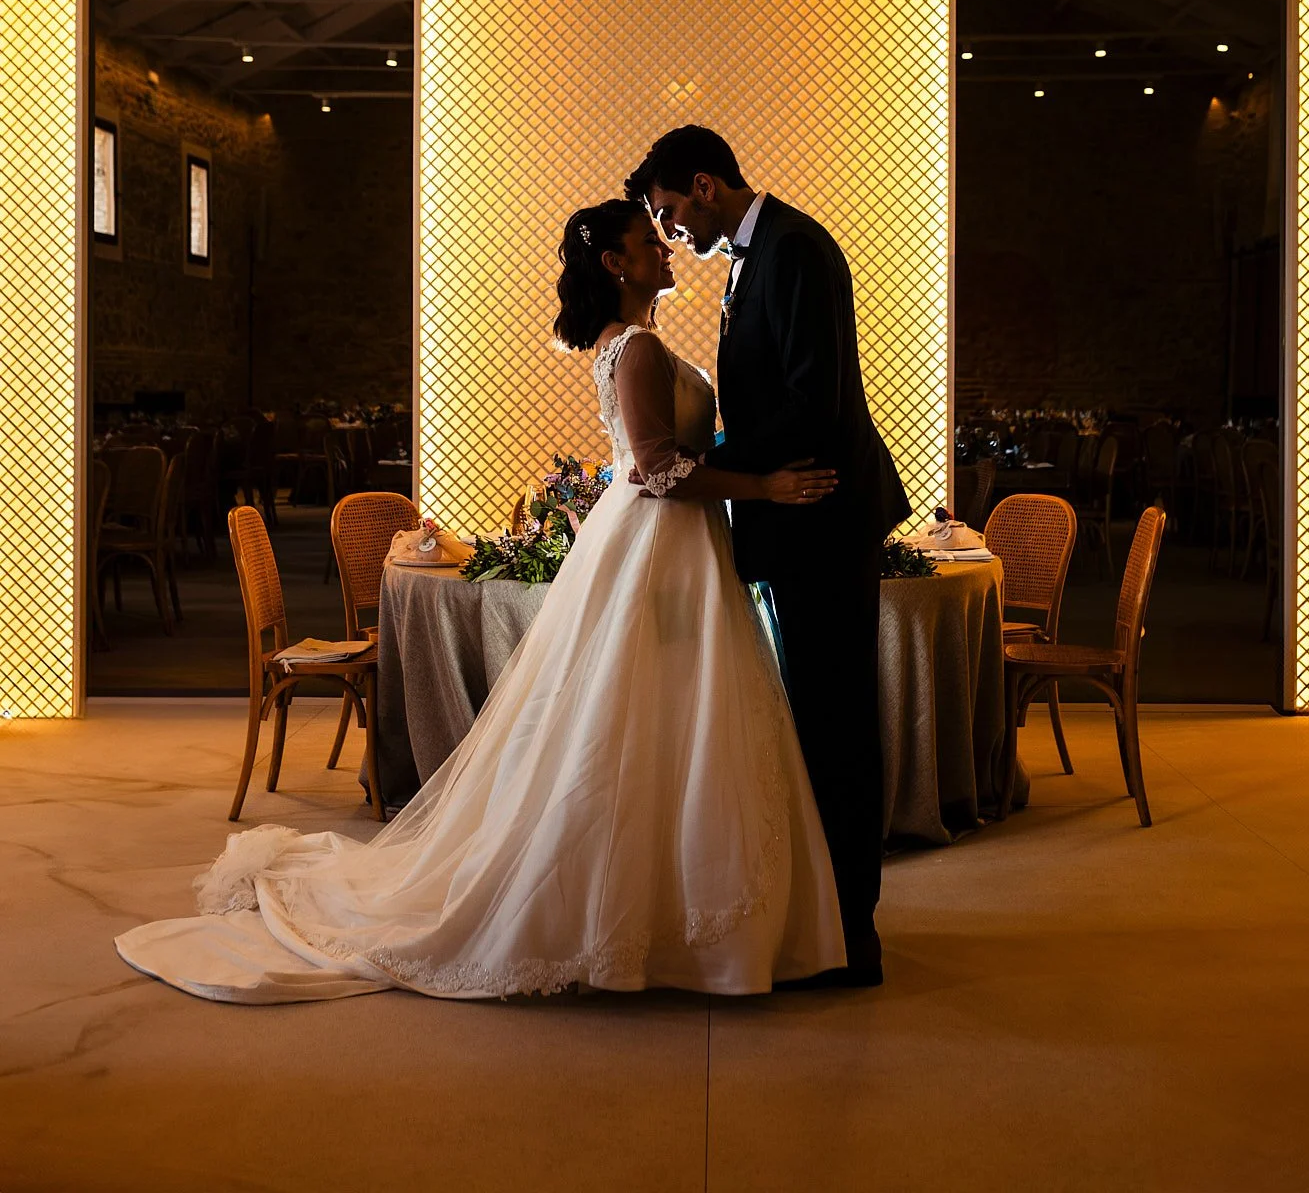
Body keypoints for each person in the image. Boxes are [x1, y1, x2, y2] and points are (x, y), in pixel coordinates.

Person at [114, 198, 844, 1003]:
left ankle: (673, 910)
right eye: (648, 241)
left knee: (668, 713)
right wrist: (765, 487)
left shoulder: (636, 343)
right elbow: (656, 471)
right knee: (635, 715)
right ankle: (637, 916)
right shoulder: (633, 349)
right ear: (617, 264)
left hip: (673, 547)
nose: (666, 249)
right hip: (655, 539)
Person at [626, 128, 909, 988]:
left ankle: (853, 934)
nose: (672, 232)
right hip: (795, 513)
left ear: (704, 186)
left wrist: (725, 473)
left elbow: (811, 398)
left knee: (837, 720)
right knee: (818, 716)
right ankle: (828, 914)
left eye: (671, 213)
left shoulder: (793, 248)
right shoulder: (760, 254)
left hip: (818, 508)